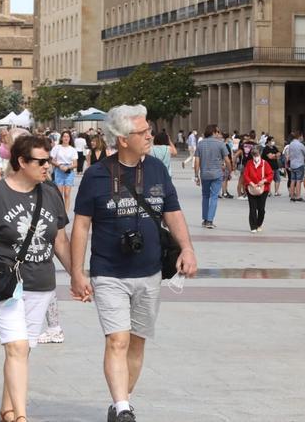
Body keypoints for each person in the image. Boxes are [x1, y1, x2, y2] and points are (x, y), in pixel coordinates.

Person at [70, 104, 198, 422]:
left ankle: (120, 402)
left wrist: (188, 249)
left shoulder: (156, 168)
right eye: (144, 132)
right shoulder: (96, 175)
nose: (150, 137)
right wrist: (77, 271)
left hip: (149, 271)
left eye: (149, 131)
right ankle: (124, 408)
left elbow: (173, 212)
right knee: (118, 339)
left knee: (137, 343)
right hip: (109, 271)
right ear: (123, 138)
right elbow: (81, 226)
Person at [0, 134, 73, 422]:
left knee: (22, 350)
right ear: (21, 162)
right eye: (41, 161)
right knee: (16, 346)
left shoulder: (50, 193)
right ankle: (22, 417)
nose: (47, 167)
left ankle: (7, 409)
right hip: (5, 285)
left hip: (41, 283)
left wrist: (78, 275)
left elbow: (60, 241)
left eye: (48, 161)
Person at [194, 124, 231, 229]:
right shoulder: (221, 144)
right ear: (214, 132)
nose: (219, 134)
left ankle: (205, 219)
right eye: (218, 132)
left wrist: (196, 175)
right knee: (214, 197)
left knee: (205, 196)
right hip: (217, 174)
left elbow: (197, 161)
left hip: (204, 174)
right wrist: (230, 170)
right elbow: (227, 160)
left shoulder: (200, 144)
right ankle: (210, 221)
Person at [243, 145, 273, 233]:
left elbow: (270, 174)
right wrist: (251, 183)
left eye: (257, 155)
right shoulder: (249, 163)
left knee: (261, 208)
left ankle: (259, 223)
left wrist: (264, 180)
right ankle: (253, 226)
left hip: (263, 189)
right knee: (252, 208)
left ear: (260, 154)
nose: (255, 157)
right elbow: (245, 175)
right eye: (254, 155)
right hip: (251, 188)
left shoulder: (265, 163)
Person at [50, 130, 78, 211]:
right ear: (61, 138)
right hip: (59, 170)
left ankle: (65, 213)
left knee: (67, 194)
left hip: (69, 171)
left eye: (68, 137)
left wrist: (68, 167)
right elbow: (51, 160)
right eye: (64, 136)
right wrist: (59, 165)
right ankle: (59, 211)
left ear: (70, 138)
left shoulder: (72, 149)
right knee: (59, 193)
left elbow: (76, 164)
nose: (66, 138)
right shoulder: (57, 147)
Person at [286, 132, 305, 201]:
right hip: (299, 164)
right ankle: (298, 196)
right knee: (298, 181)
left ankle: (292, 196)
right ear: (300, 137)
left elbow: (289, 153)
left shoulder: (291, 144)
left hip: (292, 164)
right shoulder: (300, 145)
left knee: (293, 180)